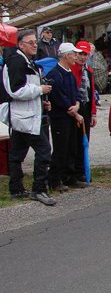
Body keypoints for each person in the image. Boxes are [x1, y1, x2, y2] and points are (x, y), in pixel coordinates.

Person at [2, 29, 56, 205]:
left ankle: (16, 189)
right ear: (20, 44)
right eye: (31, 42)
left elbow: (26, 88)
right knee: (44, 151)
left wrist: (41, 101)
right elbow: (16, 91)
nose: (35, 45)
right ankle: (38, 189)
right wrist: (40, 90)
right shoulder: (16, 62)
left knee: (16, 154)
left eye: (35, 42)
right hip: (24, 117)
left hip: (29, 114)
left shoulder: (26, 61)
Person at [46, 42, 85, 192]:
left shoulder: (69, 73)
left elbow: (75, 93)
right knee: (60, 149)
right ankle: (54, 180)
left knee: (72, 147)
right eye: (74, 54)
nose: (76, 57)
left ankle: (69, 176)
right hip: (60, 117)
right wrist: (74, 111)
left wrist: (77, 105)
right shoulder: (55, 74)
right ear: (67, 55)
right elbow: (59, 98)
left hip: (71, 115)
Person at [70, 41, 97, 183]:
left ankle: (82, 170)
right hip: (74, 108)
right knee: (73, 141)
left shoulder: (89, 71)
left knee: (84, 140)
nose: (82, 57)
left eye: (85, 54)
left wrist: (93, 113)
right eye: (80, 54)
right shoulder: (72, 69)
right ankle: (73, 171)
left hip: (85, 107)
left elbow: (92, 93)